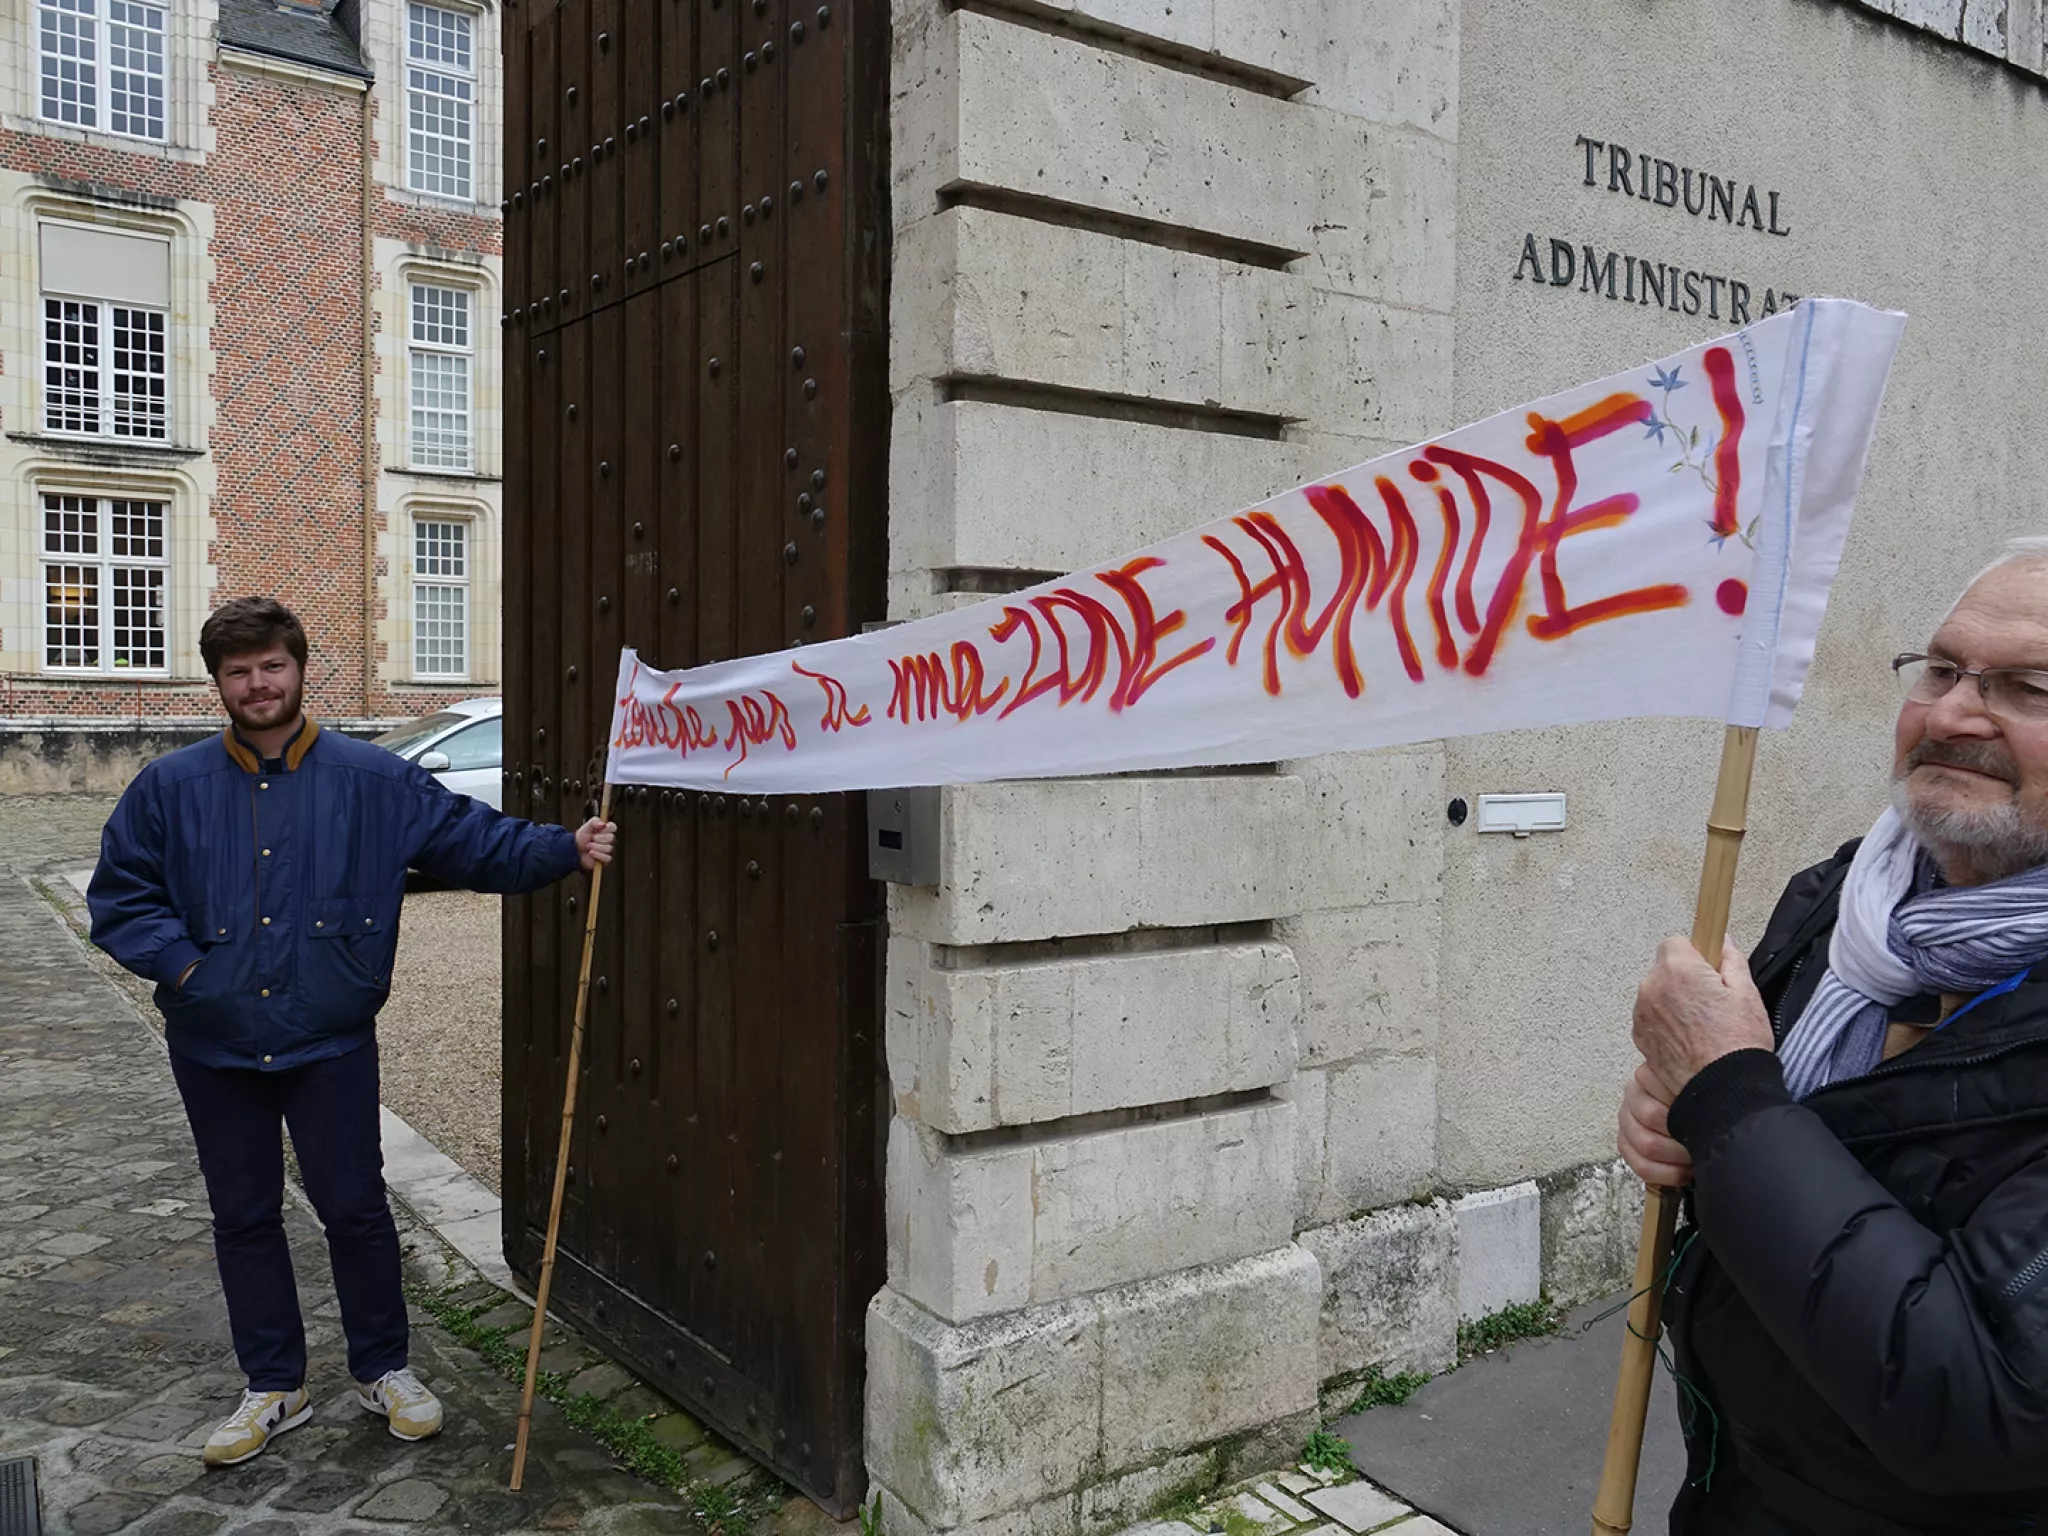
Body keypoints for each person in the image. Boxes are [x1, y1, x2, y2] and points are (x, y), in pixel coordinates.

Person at [88, 597, 614, 1468]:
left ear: (301, 668)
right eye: (238, 671)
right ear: (218, 682)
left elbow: (472, 841)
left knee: (357, 1207)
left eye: (272, 666)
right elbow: (123, 896)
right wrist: (187, 970)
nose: (258, 684)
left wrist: (566, 847)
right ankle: (274, 1383)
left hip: (329, 1037)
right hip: (213, 1043)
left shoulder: (373, 780)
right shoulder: (167, 788)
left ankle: (383, 1368)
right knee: (244, 1213)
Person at [1620, 540, 2048, 1533]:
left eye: (2024, 687)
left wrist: (1725, 1096)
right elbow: (1771, 1141)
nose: (1946, 715)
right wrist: (1679, 1119)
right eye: (1937, 671)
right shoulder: (1844, 902)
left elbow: (1977, 1400)